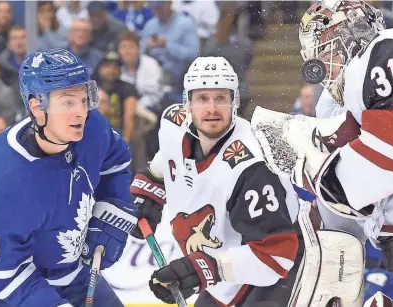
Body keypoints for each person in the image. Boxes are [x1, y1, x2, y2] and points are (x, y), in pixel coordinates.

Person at [266, 1, 393, 306]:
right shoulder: (349, 98)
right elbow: (367, 194)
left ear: (351, 33)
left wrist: (325, 178)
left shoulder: (392, 48)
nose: (322, 65)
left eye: (325, 50)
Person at [0, 48, 137, 307]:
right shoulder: (0, 173)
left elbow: (116, 160)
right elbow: (4, 275)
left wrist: (114, 208)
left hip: (69, 273)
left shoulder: (92, 127)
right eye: (67, 102)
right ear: (37, 107)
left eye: (84, 99)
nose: (80, 112)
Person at [129, 56, 309, 307]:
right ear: (187, 103)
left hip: (274, 274)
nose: (212, 109)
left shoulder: (252, 166)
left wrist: (204, 268)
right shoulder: (172, 123)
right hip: (224, 275)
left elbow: (276, 256)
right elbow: (163, 163)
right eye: (202, 98)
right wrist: (150, 194)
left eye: (221, 98)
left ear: (234, 102)